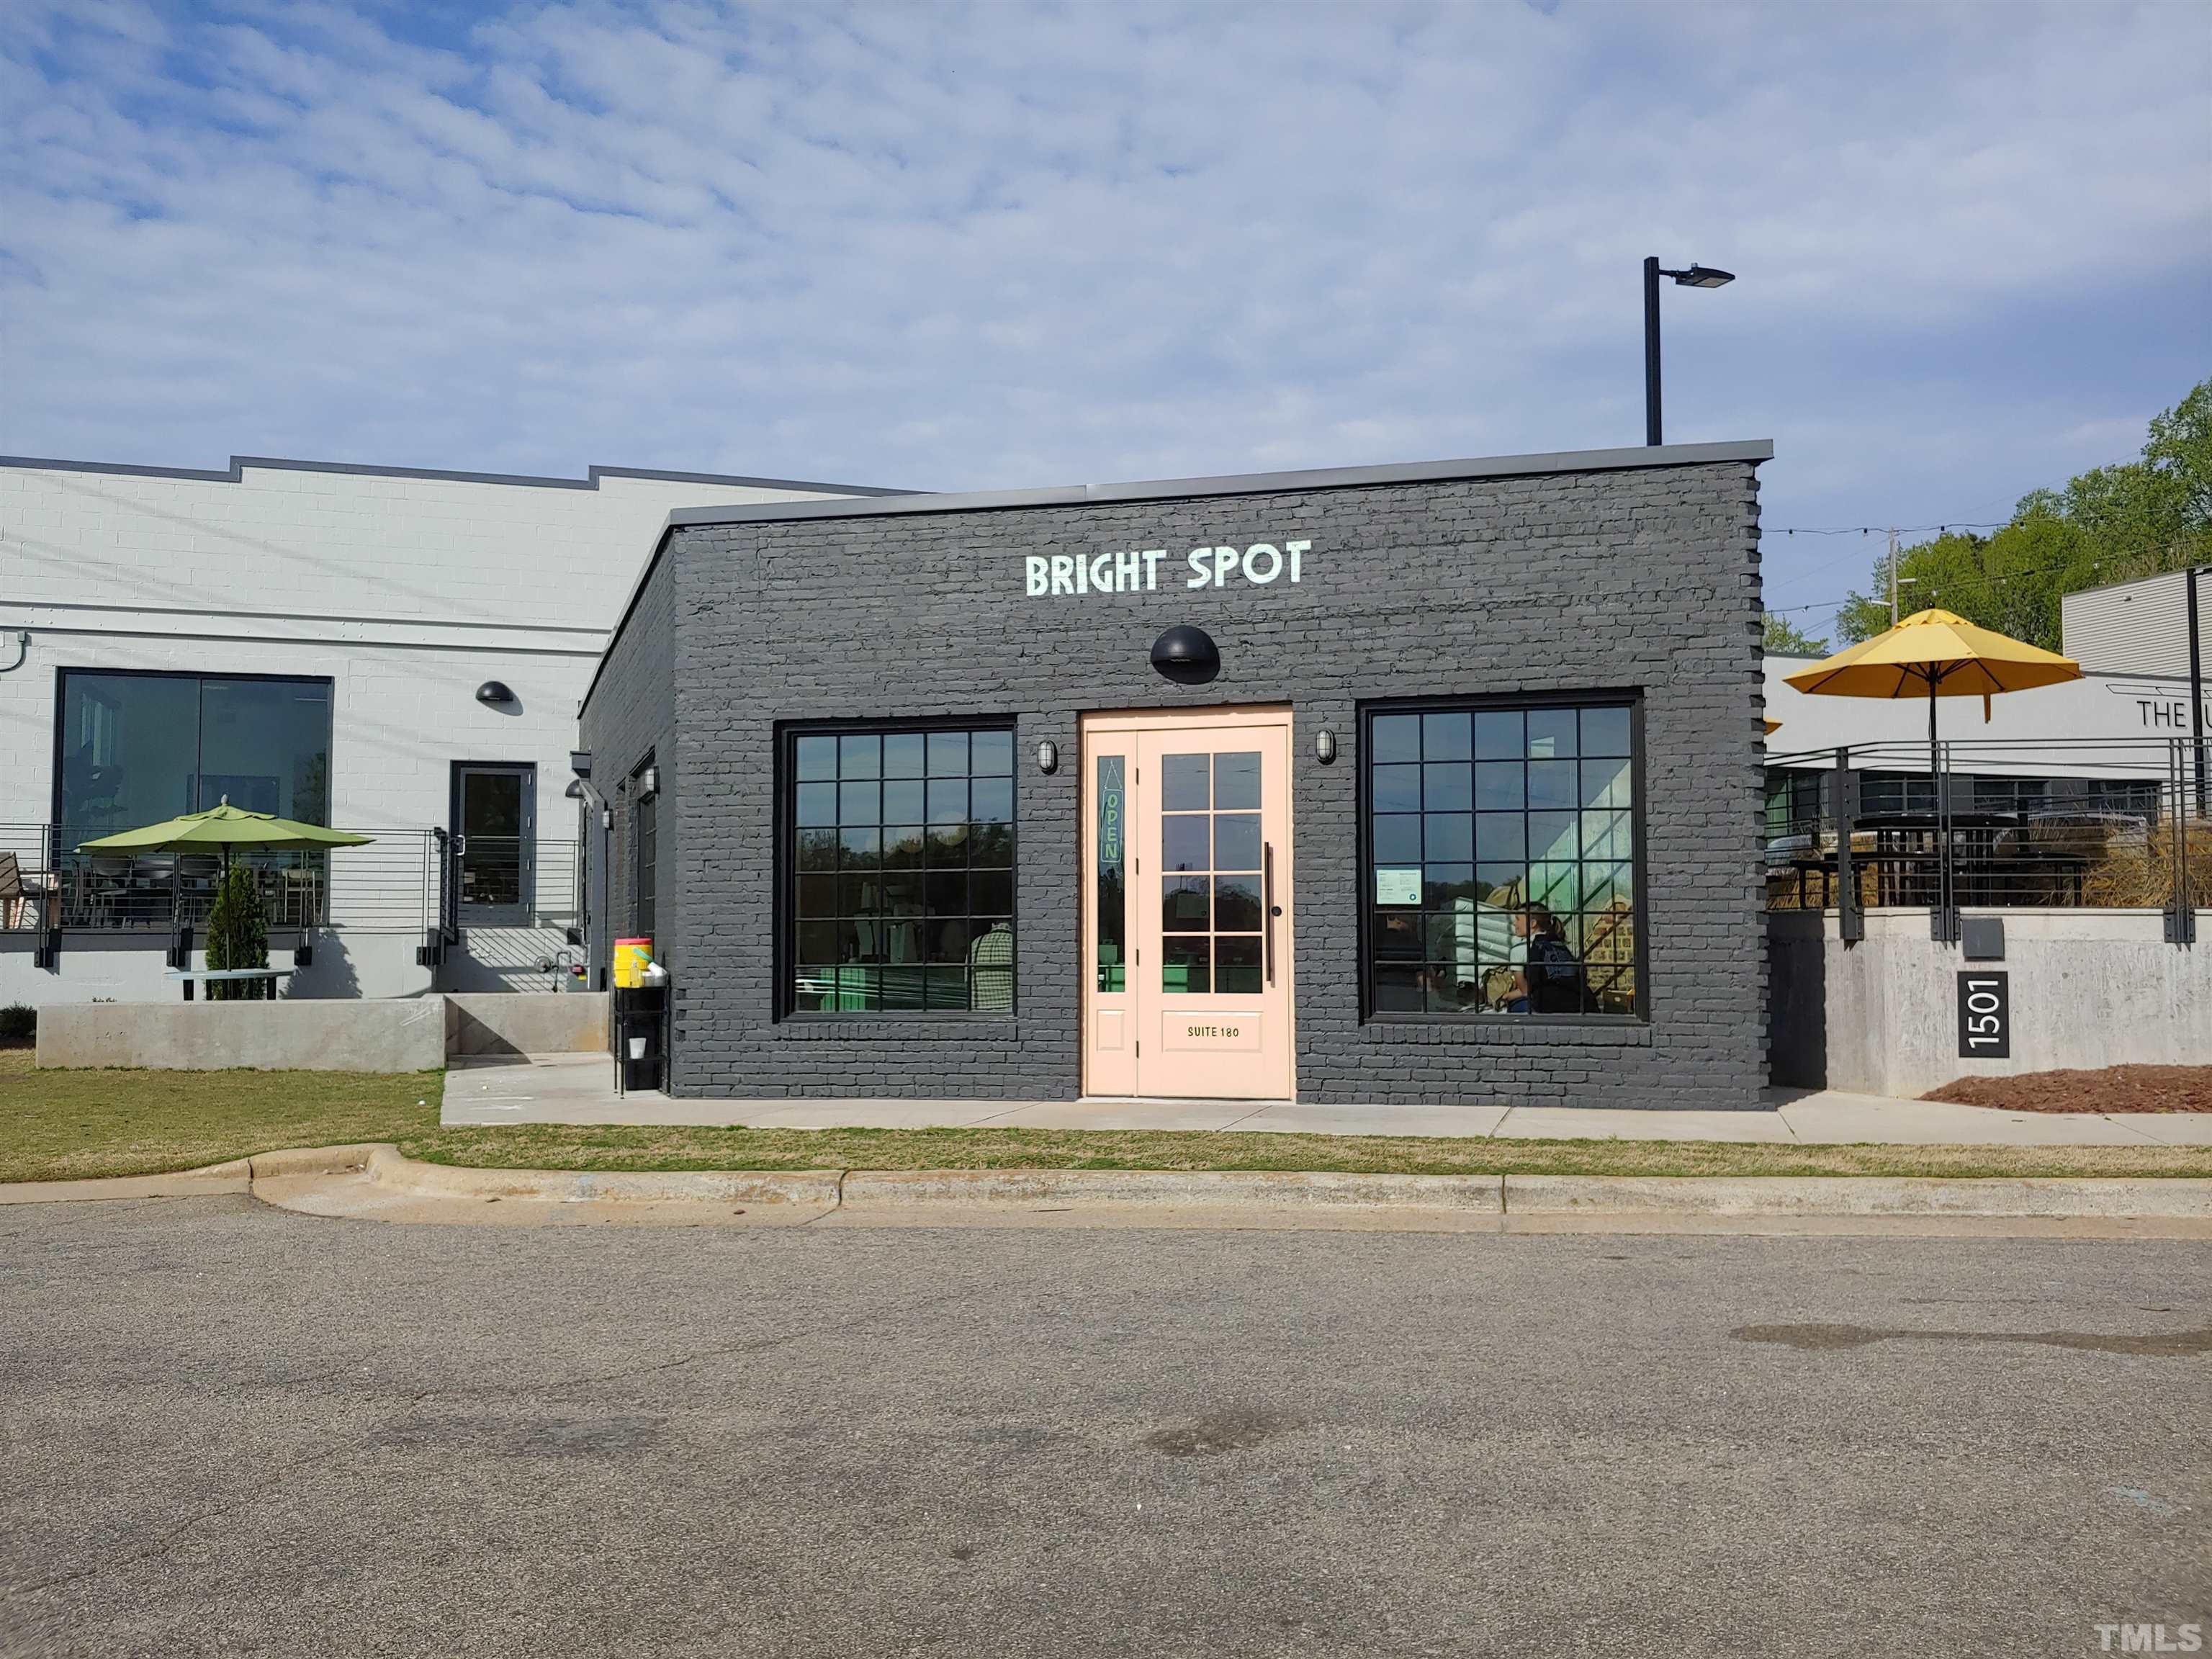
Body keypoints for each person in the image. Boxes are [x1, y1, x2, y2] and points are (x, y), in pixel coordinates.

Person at [1518, 903, 1591, 1014]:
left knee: (1517, 1005)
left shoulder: (1524, 948)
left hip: (1550, 1007)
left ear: (1533, 924)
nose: (1514, 923)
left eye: (1518, 919)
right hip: (1582, 1004)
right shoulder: (1559, 943)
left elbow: (1527, 989)